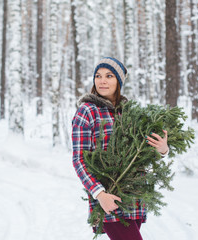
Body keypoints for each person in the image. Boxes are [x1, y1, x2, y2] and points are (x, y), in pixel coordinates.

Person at [71, 57, 169, 240]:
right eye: (98, 76)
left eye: (109, 76)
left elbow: (142, 152)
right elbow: (79, 160)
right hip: (109, 196)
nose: (102, 80)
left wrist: (162, 149)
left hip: (134, 196)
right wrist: (99, 194)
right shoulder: (87, 111)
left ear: (119, 81)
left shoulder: (129, 111)